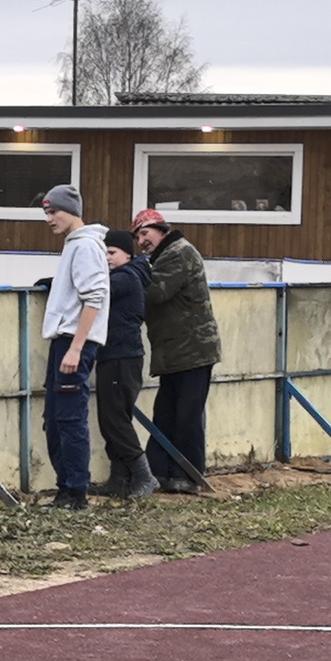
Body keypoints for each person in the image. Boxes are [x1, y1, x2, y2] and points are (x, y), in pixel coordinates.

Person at [131, 209, 222, 494]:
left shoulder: (178, 253)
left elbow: (154, 292)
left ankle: (190, 475)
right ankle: (164, 473)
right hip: (176, 353)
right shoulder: (162, 256)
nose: (141, 241)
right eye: (136, 237)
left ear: (162, 230)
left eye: (145, 233)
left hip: (192, 351)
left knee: (186, 417)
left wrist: (125, 274)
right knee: (167, 414)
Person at [36, 184, 109, 511]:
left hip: (73, 342)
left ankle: (75, 491)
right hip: (65, 340)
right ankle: (66, 487)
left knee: (68, 418)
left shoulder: (85, 247)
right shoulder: (74, 245)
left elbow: (94, 297)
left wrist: (76, 348)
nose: (49, 218)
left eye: (54, 211)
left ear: (72, 211)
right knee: (56, 418)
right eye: (47, 212)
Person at [94, 228, 156, 500]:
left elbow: (96, 290)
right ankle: (119, 479)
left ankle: (144, 475)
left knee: (116, 420)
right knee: (112, 419)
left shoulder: (125, 279)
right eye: (104, 252)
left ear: (127, 255)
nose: (107, 257)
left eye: (112, 252)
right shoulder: (126, 276)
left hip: (122, 357)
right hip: (116, 355)